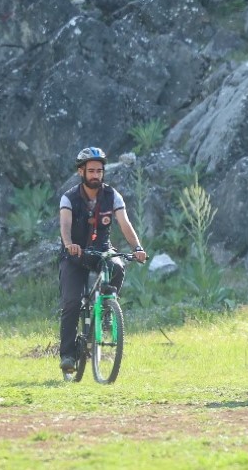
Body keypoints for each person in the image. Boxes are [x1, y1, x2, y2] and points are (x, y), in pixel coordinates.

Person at [58, 147, 147, 374]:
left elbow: (125, 223)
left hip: (101, 250)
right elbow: (65, 227)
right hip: (75, 255)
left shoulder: (112, 196)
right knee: (71, 303)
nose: (96, 175)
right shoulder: (69, 198)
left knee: (117, 266)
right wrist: (69, 245)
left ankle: (107, 309)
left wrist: (137, 247)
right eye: (91, 171)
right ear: (81, 172)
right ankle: (68, 355)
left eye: (100, 170)